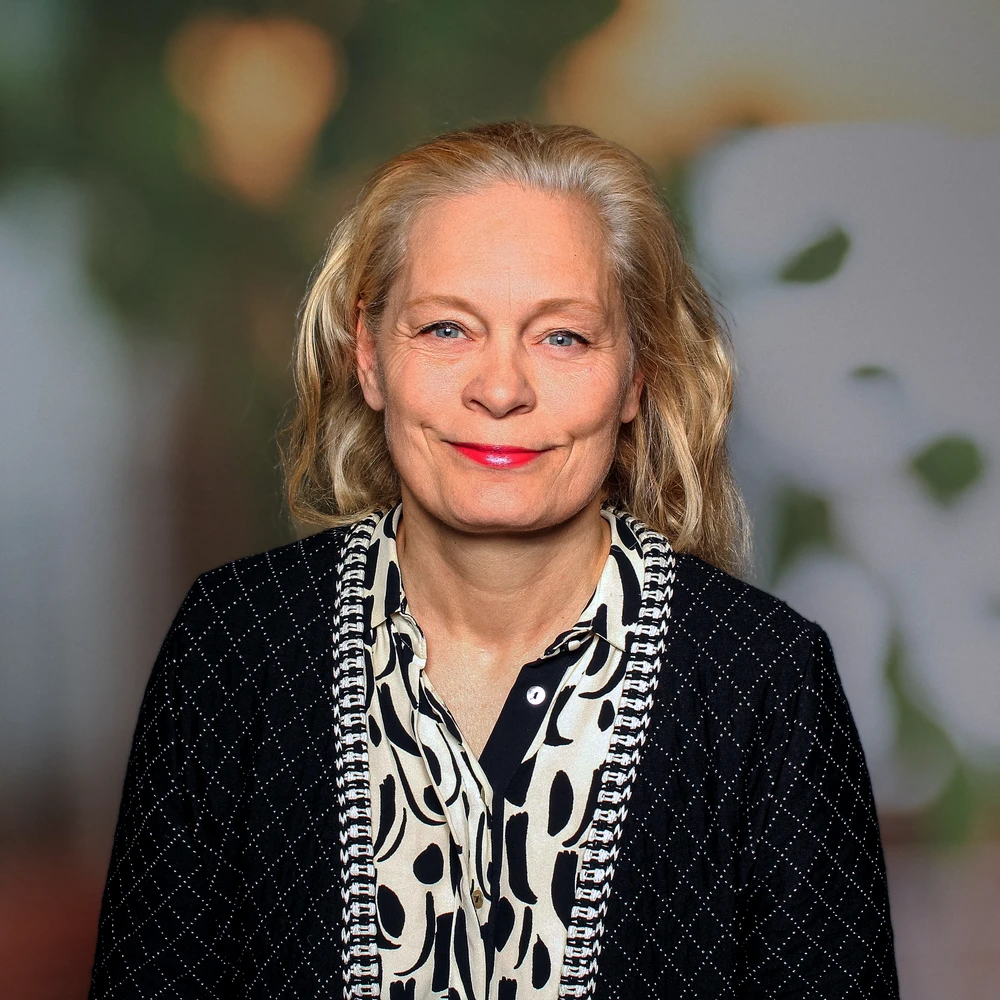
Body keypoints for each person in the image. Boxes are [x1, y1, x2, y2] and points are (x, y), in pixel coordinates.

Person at [89, 121, 898, 999]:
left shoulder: (766, 682)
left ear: (636, 374)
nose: (501, 389)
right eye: (446, 329)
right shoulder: (234, 647)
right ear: (369, 357)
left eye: (563, 337)